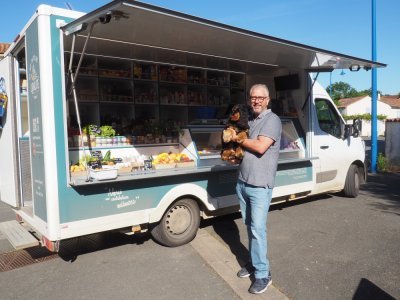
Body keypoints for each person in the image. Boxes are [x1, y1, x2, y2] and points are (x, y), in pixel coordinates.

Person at [233, 83, 282, 294]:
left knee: (257, 230)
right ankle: (254, 262)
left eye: (260, 98)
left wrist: (237, 138)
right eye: (253, 97)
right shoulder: (250, 120)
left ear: (267, 100)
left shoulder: (272, 120)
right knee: (249, 225)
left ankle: (263, 274)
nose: (256, 101)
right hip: (243, 182)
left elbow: (261, 146)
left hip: (260, 185)